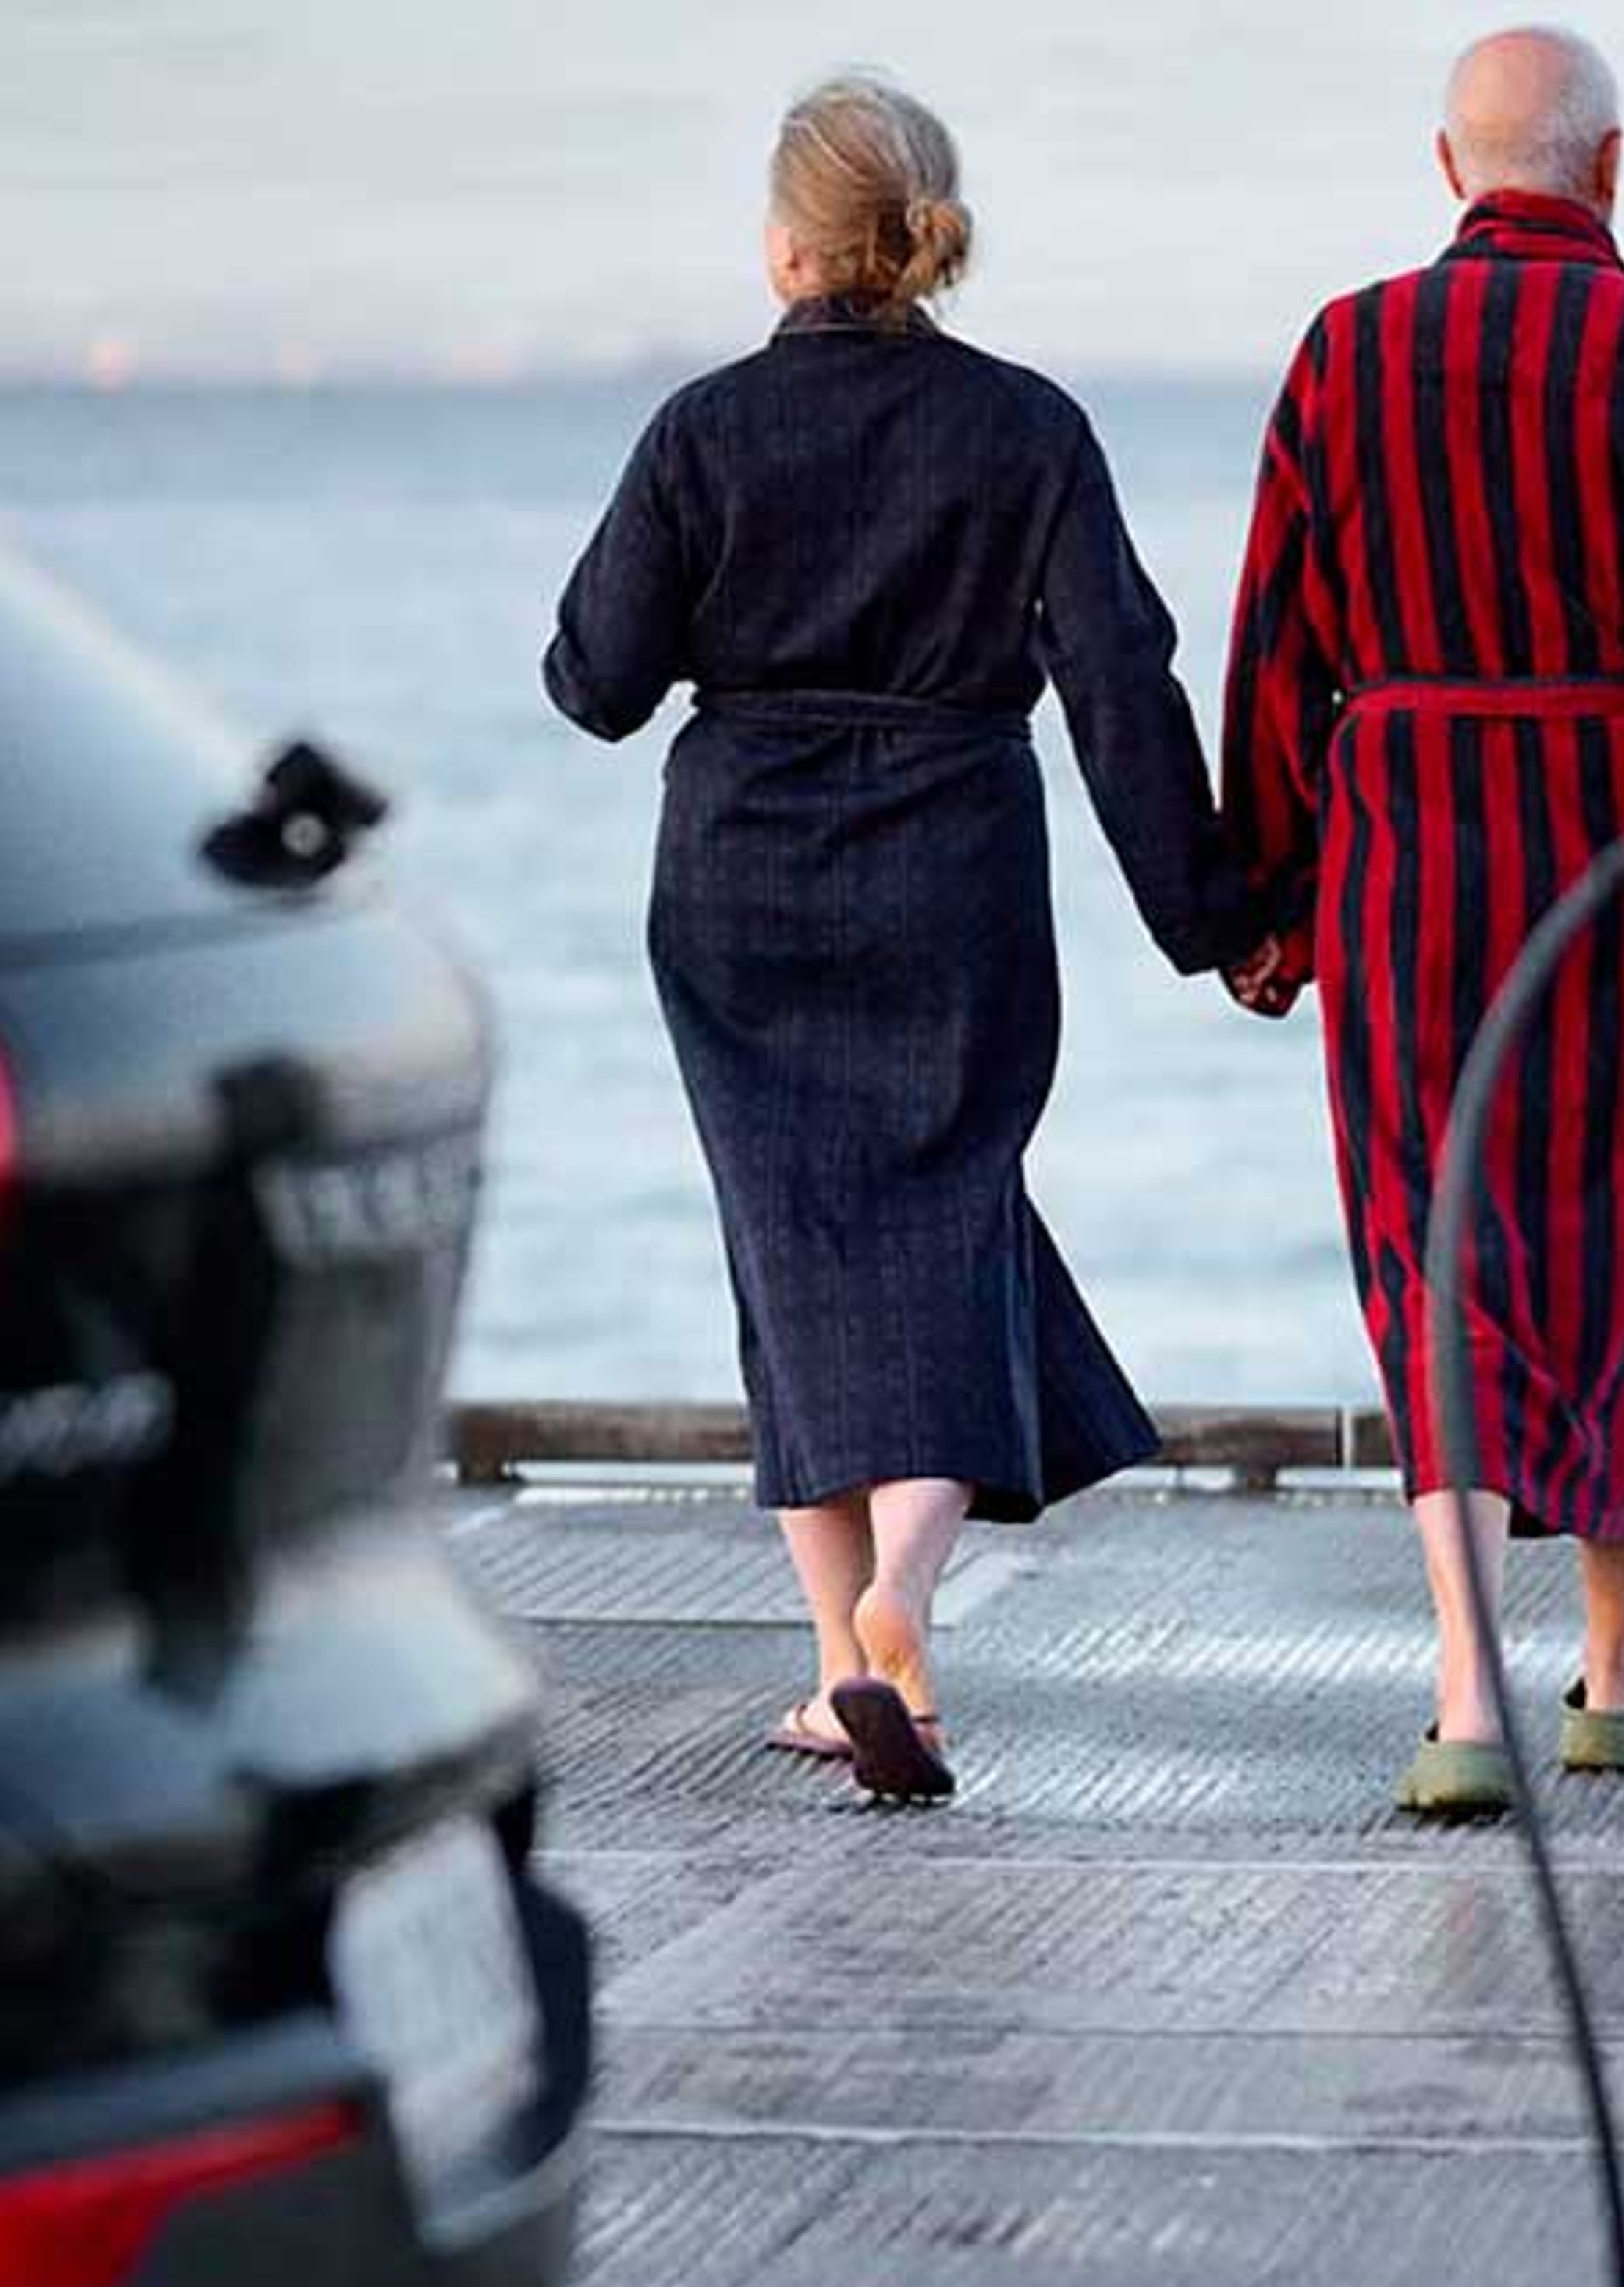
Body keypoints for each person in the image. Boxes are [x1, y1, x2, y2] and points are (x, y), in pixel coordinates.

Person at [546, 74, 1254, 1802]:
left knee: (785, 1247)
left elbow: (598, 685)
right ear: (927, 240)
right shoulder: (1027, 427)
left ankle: (844, 1663)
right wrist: (1214, 919)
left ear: (788, 243)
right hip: (957, 857)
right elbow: (1120, 686)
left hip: (742, 876)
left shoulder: (703, 430)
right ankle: (899, 1625)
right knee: (948, 1217)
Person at [1221, 24, 1624, 1817]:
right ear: (1613, 169)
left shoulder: (1346, 351)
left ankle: (1468, 1688)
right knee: (1621, 1250)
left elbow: (1278, 648)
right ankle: (1614, 1675)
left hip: (1403, 857)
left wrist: (1268, 903)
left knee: (1435, 1252)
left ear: (1447, 170)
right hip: (1619, 862)